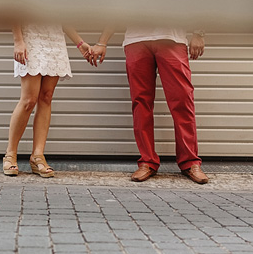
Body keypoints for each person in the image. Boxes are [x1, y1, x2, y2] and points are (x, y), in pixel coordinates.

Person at [90, 27, 209, 184]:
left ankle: (190, 162)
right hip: (136, 40)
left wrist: (198, 32)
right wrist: (102, 42)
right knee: (141, 103)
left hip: (171, 38)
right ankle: (147, 161)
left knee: (182, 100)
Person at [3, 24, 91, 178]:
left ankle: (37, 156)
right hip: (30, 37)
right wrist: (18, 41)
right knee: (29, 100)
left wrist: (79, 43)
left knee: (46, 97)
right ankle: (10, 154)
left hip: (55, 40)